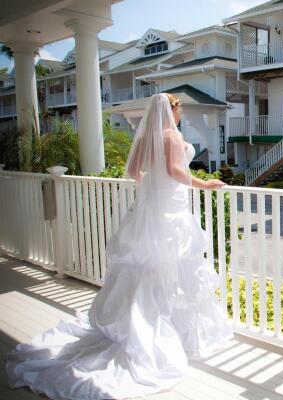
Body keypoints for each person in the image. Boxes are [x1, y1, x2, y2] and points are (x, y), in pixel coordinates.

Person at [5, 92, 234, 399]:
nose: (180, 115)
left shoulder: (145, 138)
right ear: (173, 111)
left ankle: (143, 325)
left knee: (146, 270)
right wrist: (205, 183)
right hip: (172, 210)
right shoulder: (172, 137)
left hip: (151, 208)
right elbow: (177, 172)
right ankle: (173, 333)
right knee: (175, 268)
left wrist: (152, 188)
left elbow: (132, 172)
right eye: (180, 110)